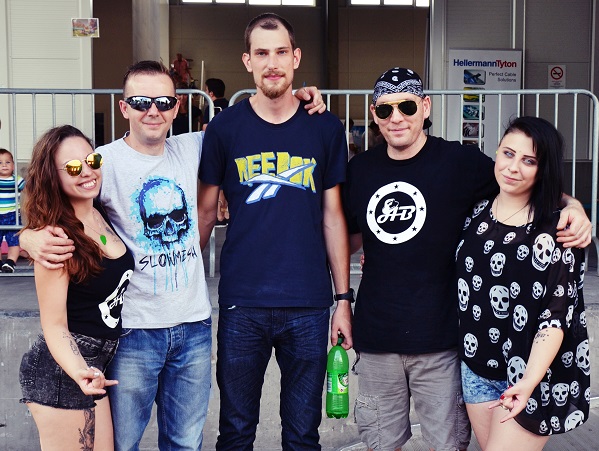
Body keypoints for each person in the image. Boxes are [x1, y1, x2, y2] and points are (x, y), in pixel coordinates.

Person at [19, 60, 326, 449]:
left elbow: (257, 118)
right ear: (124, 107)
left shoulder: (194, 147)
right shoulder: (102, 162)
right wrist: (28, 236)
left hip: (193, 327)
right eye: (141, 101)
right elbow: (54, 196)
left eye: (163, 101)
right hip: (135, 331)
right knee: (123, 444)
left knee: (185, 444)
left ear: (177, 106)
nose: (153, 111)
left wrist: (297, 96)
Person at [342, 67, 591, 451]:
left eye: (407, 106)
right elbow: (347, 237)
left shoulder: (462, 162)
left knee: (448, 445)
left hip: (442, 342)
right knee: (380, 443)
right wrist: (342, 301)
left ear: (425, 107)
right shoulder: (359, 170)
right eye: (386, 109)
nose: (397, 117)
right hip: (377, 339)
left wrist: (574, 206)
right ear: (374, 114)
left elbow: (525, 181)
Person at [197, 13, 352, 450]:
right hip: (242, 303)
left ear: (296, 58)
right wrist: (186, 287)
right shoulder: (225, 128)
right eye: (261, 53)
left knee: (303, 436)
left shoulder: (325, 127)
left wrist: (343, 300)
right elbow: (205, 213)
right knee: (235, 432)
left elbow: (333, 217)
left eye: (281, 52)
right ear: (247, 61)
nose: (272, 63)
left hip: (308, 304)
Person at [456, 117, 589, 450]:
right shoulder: (475, 212)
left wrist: (528, 382)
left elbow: (555, 318)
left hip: (530, 375)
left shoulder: (558, 232)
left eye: (529, 160)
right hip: (476, 368)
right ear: (496, 153)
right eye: (508, 153)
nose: (513, 167)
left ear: (543, 170)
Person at [18, 125, 134, 450]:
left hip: (94, 368)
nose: (87, 171)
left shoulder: (99, 211)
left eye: (92, 160)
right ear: (51, 177)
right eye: (72, 167)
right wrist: (80, 370)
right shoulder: (55, 238)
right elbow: (54, 324)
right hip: (62, 370)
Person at [0, 147, 25, 272]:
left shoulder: (17, 180)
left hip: (12, 215)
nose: (4, 165)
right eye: (0, 163)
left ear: (13, 166)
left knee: (14, 240)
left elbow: (28, 189)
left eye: (8, 162)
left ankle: (11, 262)